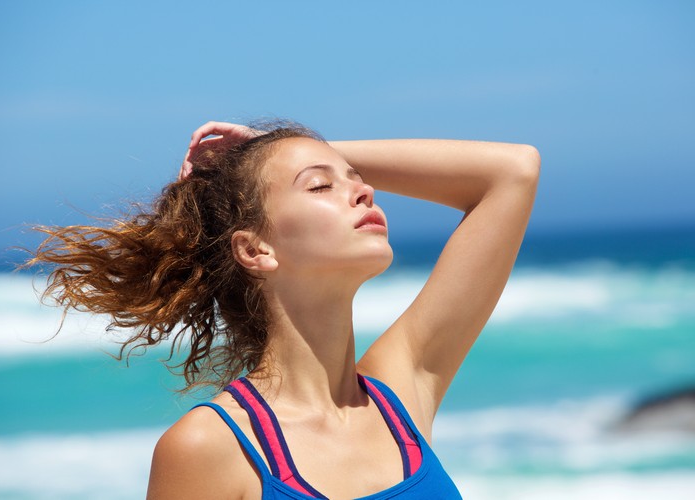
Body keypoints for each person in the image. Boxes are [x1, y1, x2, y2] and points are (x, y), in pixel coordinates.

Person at [31, 120, 539, 499]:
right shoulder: (210, 446)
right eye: (321, 186)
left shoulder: (401, 395)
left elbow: (513, 170)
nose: (364, 190)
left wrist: (273, 153)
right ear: (256, 250)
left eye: (356, 179)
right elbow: (509, 173)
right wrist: (269, 157)